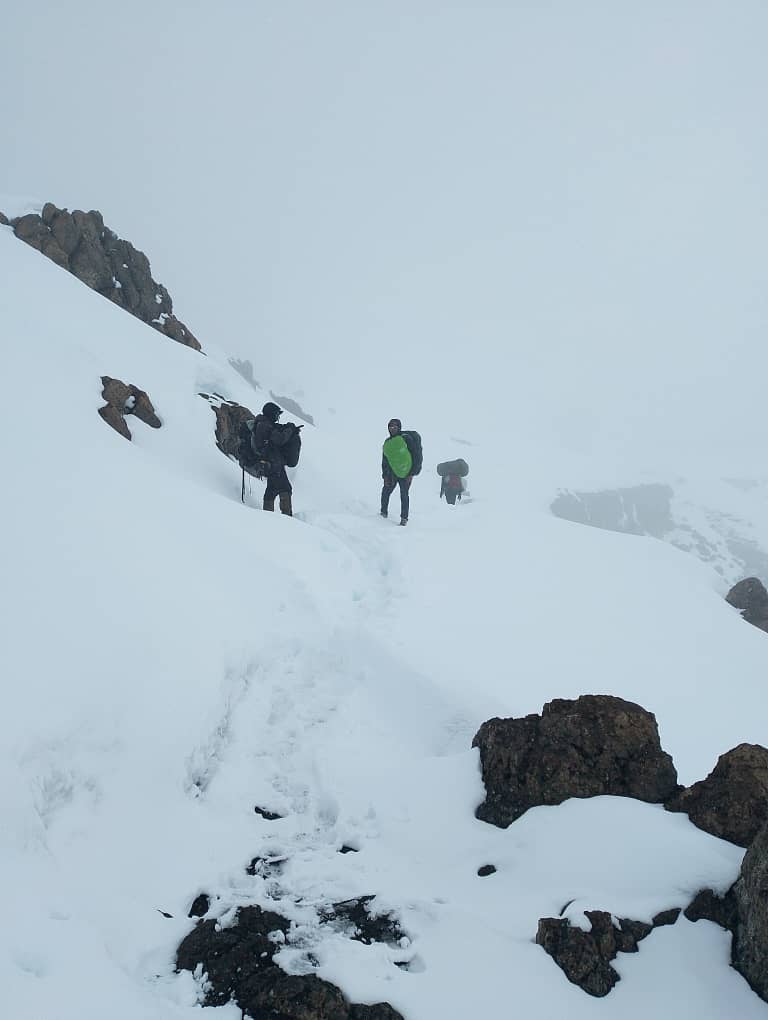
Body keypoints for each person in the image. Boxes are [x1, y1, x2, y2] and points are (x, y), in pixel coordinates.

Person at [253, 401, 301, 516]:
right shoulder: (265, 425)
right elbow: (280, 439)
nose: (277, 417)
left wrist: (287, 428)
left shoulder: (263, 423)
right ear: (271, 414)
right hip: (273, 463)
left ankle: (267, 516)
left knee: (271, 489)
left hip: (270, 462)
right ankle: (287, 517)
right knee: (285, 489)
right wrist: (289, 429)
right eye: (276, 414)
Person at [381, 418, 422, 525]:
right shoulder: (388, 442)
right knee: (386, 491)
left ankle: (404, 518)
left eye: (394, 427)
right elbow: (385, 460)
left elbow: (415, 456)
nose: (392, 429)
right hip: (392, 472)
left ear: (399, 427)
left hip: (406, 472)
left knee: (404, 494)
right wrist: (385, 476)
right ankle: (382, 514)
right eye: (390, 427)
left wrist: (412, 473)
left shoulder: (406, 438)